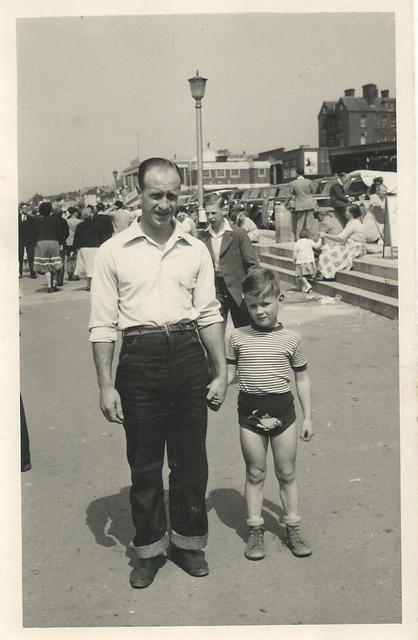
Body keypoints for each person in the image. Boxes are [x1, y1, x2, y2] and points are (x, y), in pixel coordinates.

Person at [89, 157, 227, 589]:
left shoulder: (195, 249)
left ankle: (188, 545)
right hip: (140, 358)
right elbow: (102, 324)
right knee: (145, 465)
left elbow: (208, 313)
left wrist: (221, 371)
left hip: (187, 353)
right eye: (156, 195)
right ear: (139, 196)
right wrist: (106, 384)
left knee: (190, 460)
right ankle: (148, 548)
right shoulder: (114, 252)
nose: (164, 204)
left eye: (172, 195)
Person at [226, 267, 314, 561]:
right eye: (252, 305)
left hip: (284, 413)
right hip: (249, 414)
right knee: (255, 472)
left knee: (286, 472)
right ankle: (255, 530)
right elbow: (229, 373)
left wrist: (308, 416)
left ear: (280, 299)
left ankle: (292, 527)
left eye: (265, 303)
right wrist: (216, 385)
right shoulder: (237, 337)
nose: (259, 311)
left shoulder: (292, 339)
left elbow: (302, 378)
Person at [200, 193, 259, 329]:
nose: (210, 217)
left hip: (238, 289)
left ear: (223, 211)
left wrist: (250, 290)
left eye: (214, 213)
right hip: (215, 290)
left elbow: (252, 265)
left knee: (244, 330)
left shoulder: (238, 233)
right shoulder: (203, 236)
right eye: (207, 214)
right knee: (214, 329)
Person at [317, 204, 366, 280]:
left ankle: (326, 274)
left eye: (347, 211)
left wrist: (325, 235)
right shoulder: (354, 222)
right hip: (353, 245)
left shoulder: (353, 223)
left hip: (354, 248)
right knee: (329, 248)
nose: (345, 213)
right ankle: (323, 272)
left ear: (352, 213)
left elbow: (340, 238)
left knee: (329, 252)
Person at [33, 201, 64, 293]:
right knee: (54, 264)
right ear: (50, 210)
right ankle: (54, 284)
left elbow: (35, 233)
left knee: (45, 266)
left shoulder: (38, 220)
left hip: (41, 243)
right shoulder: (55, 220)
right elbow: (59, 233)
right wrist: (61, 243)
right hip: (53, 242)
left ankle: (49, 286)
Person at [73, 206, 103, 291]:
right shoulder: (97, 225)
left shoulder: (79, 226)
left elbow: (77, 238)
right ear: (91, 215)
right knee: (94, 266)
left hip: (84, 248)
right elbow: (101, 236)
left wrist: (76, 248)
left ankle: (88, 284)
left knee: (87, 267)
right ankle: (95, 284)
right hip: (95, 247)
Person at [285, 168, 317, 239]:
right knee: (309, 223)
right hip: (310, 204)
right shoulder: (309, 181)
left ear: (296, 173)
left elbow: (290, 195)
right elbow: (314, 191)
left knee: (299, 223)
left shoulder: (293, 183)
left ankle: (298, 238)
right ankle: (309, 238)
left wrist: (286, 203)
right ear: (303, 173)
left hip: (300, 205)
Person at [18, 203, 37, 278]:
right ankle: (19, 272)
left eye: (26, 208)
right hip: (20, 240)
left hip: (29, 240)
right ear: (21, 209)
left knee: (31, 256)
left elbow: (34, 230)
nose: (25, 209)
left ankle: (32, 272)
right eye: (24, 208)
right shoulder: (17, 218)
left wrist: (33, 240)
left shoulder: (31, 219)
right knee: (20, 256)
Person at [65, 207, 82, 280]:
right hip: (76, 240)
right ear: (75, 213)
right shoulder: (79, 222)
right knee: (76, 257)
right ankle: (75, 273)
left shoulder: (67, 221)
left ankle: (69, 272)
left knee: (68, 257)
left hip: (68, 240)